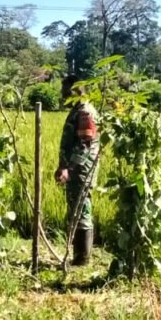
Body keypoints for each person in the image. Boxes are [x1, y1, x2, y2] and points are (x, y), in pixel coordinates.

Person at [54, 75, 100, 265]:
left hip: (81, 170)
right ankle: (79, 256)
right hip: (77, 169)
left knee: (81, 210)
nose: (63, 96)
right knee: (77, 209)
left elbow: (84, 145)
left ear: (76, 92)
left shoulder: (84, 112)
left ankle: (82, 259)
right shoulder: (78, 110)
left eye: (66, 92)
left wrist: (68, 168)